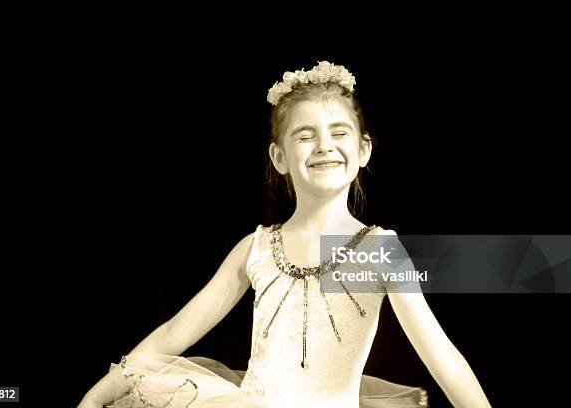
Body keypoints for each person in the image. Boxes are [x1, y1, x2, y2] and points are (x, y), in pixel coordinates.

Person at [78, 61, 491, 407]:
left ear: (363, 150)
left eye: (339, 132)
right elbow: (173, 335)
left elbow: (443, 358)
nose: (324, 146)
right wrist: (94, 398)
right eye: (305, 135)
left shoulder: (378, 249)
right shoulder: (254, 249)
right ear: (279, 157)